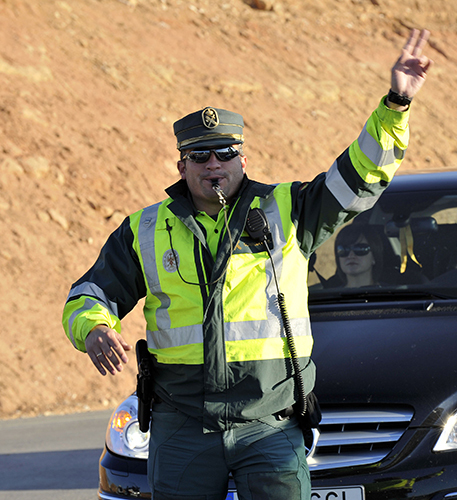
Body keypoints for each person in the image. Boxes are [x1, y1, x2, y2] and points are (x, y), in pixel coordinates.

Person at [61, 29, 432, 500]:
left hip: (269, 427)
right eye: (200, 154)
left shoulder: (289, 209)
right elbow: (89, 293)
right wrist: (93, 328)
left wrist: (395, 104)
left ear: (242, 157)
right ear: (181, 166)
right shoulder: (145, 229)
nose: (214, 162)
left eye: (226, 152)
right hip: (182, 427)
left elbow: (360, 178)